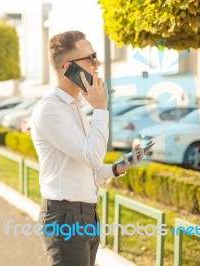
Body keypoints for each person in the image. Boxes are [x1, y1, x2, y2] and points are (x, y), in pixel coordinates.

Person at [30, 30, 150, 266]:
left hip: (85, 214)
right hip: (66, 216)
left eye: (96, 56)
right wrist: (100, 108)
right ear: (67, 68)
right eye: (90, 58)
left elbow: (89, 169)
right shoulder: (50, 109)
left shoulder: (75, 106)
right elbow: (93, 156)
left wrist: (116, 168)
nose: (98, 63)